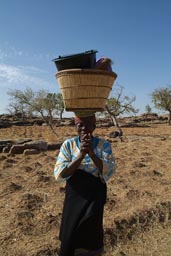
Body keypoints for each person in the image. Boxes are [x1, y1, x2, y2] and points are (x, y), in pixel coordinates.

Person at [54, 114, 116, 256]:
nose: (84, 128)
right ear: (75, 126)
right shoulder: (68, 145)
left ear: (94, 126)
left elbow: (108, 169)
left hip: (94, 195)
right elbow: (60, 173)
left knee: (91, 229)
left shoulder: (103, 145)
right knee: (70, 231)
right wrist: (80, 156)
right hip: (75, 194)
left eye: (88, 124)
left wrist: (92, 154)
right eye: (80, 125)